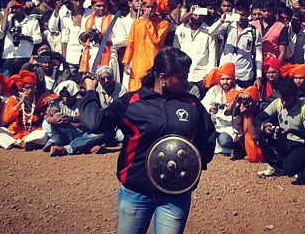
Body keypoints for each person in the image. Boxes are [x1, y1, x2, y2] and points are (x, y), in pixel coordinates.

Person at [80, 48, 216, 234]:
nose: (186, 82)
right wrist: (90, 91)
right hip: (135, 193)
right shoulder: (132, 102)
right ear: (163, 77)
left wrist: (192, 168)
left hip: (175, 197)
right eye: (181, 77)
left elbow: (207, 138)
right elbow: (94, 123)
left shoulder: (192, 104)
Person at [255, 78, 305, 178]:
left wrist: (292, 130)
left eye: (288, 100)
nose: (284, 103)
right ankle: (274, 167)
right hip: (285, 141)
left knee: (289, 170)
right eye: (282, 99)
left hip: (301, 144)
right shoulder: (278, 103)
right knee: (262, 134)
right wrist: (264, 126)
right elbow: (258, 118)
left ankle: (304, 164)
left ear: (295, 97)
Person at [122, 0, 169, 91]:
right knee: (135, 92)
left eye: (152, 7)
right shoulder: (136, 23)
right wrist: (126, 62)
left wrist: (148, 23)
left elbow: (157, 41)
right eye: (148, 7)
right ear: (143, 7)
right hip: (137, 66)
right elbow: (130, 44)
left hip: (152, 65)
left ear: (156, 7)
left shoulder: (163, 24)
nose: (150, 10)